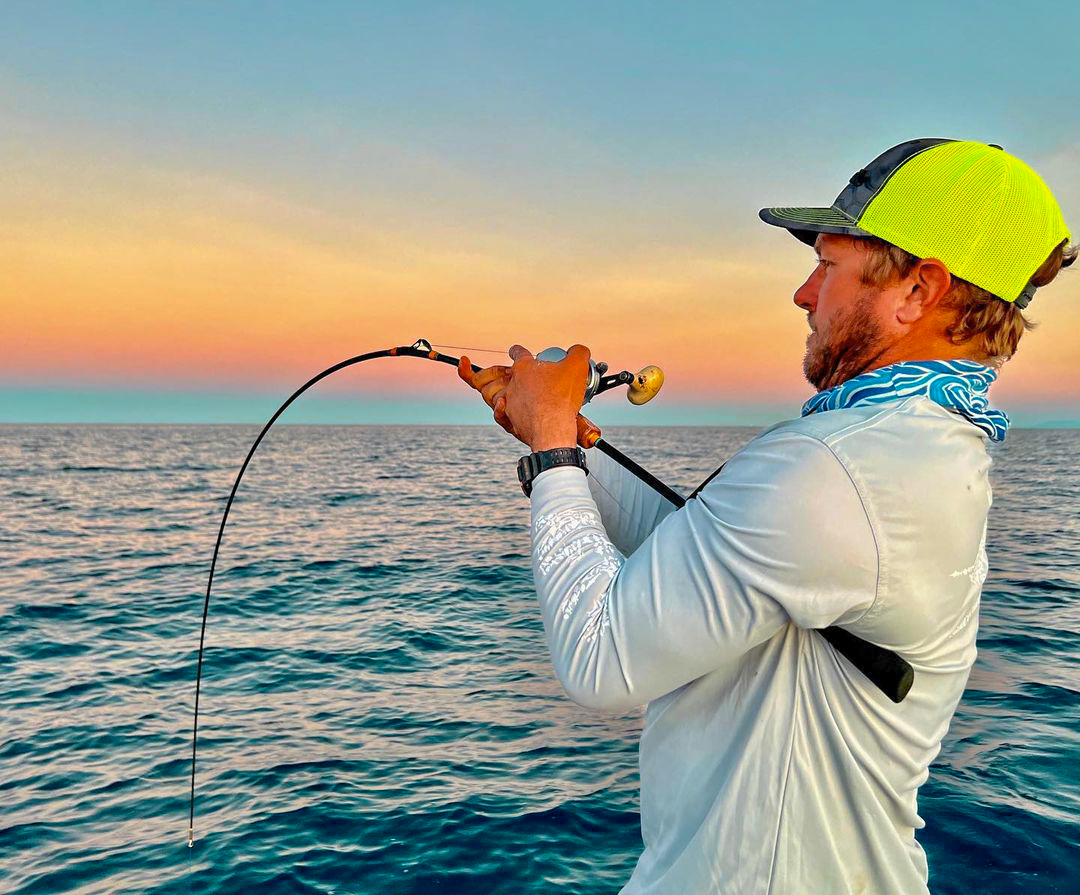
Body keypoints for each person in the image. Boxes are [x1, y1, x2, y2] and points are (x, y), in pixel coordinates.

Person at [458, 138, 1074, 894]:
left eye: (828, 263)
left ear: (919, 289)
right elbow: (699, 565)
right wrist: (552, 439)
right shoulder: (911, 448)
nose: (804, 293)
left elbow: (600, 655)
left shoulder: (836, 466)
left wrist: (555, 446)